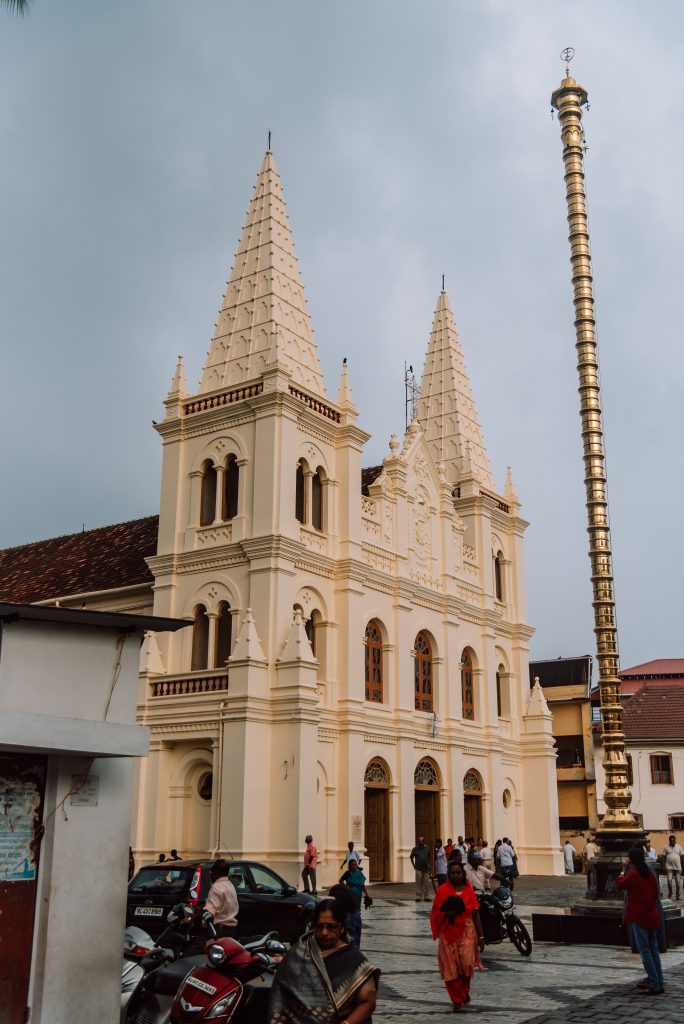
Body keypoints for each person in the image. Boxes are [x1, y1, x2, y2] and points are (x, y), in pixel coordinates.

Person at [268, 896, 379, 1023]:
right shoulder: (299, 952)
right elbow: (281, 992)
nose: (324, 932)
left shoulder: (355, 961)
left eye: (331, 927)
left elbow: (367, 1002)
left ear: (342, 927)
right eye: (320, 926)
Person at [430, 859, 485, 1012]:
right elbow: (435, 912)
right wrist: (446, 914)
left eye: (458, 872)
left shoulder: (469, 889)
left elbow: (475, 913)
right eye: (453, 873)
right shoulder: (442, 890)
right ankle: (457, 999)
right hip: (448, 932)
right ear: (449, 874)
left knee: (467, 964)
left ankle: (464, 991)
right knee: (451, 967)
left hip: (467, 931)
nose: (456, 875)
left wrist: (481, 936)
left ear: (463, 874)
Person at [616, 846, 664, 995]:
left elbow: (620, 884)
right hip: (652, 914)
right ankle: (658, 980)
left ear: (631, 861)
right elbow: (655, 894)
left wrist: (623, 870)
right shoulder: (649, 874)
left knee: (644, 950)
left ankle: (654, 983)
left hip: (639, 916)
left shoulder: (634, 874)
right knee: (653, 948)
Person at [339, 858, 372, 947]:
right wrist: (347, 887)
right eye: (352, 865)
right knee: (350, 908)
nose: (354, 866)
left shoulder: (359, 873)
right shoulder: (347, 873)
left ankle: (357, 920)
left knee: (357, 908)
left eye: (355, 865)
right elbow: (340, 881)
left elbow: (362, 885)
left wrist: (367, 894)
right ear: (349, 866)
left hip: (358, 893)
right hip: (350, 893)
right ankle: (351, 921)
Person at [203, 859, 239, 938]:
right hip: (231, 930)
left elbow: (210, 911)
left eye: (211, 872)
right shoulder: (230, 885)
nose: (210, 875)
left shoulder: (216, 887)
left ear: (216, 872)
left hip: (218, 930)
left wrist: (194, 917)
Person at [410, 835, 431, 902]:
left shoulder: (427, 848)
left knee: (426, 882)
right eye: (419, 841)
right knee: (418, 882)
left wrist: (428, 864)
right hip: (418, 868)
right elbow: (411, 857)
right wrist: (413, 865)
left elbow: (429, 856)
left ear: (423, 842)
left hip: (425, 868)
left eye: (421, 841)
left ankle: (426, 896)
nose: (420, 842)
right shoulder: (415, 849)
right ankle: (418, 896)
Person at [662, 835, 683, 900]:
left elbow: (682, 855)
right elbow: (663, 857)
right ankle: (670, 893)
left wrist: (683, 864)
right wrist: (663, 865)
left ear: (675, 840)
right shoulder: (666, 847)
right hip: (669, 866)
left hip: (678, 867)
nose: (672, 841)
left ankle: (677, 894)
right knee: (669, 880)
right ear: (669, 841)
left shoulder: (679, 846)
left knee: (678, 882)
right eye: (671, 840)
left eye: (673, 840)